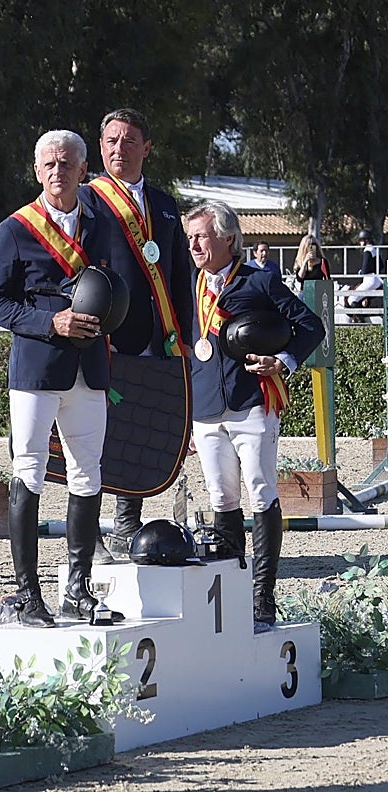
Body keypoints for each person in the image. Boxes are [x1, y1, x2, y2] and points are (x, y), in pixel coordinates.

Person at [0, 130, 113, 628]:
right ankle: (28, 594)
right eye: (49, 164)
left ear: (82, 170)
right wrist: (48, 322)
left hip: (90, 366)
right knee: (29, 471)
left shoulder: (101, 225)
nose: (58, 171)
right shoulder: (15, 229)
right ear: (37, 172)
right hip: (37, 366)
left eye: (67, 163)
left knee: (88, 472)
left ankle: (77, 590)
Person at [185, 202, 323, 626]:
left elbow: (312, 327)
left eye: (202, 236)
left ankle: (264, 596)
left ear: (227, 238)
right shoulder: (184, 285)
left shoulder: (259, 281)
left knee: (260, 491)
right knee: (221, 498)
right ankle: (231, 592)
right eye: (189, 237)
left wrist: (282, 361)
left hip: (252, 405)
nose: (193, 244)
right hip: (206, 408)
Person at [78, 108, 194, 560]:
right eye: (110, 141)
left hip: (157, 335)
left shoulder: (164, 203)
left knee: (141, 427)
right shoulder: (87, 199)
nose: (117, 149)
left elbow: (180, 271)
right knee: (99, 432)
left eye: (128, 141)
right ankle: (91, 531)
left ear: (147, 147)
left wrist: (183, 330)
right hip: (107, 334)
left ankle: (127, 520)